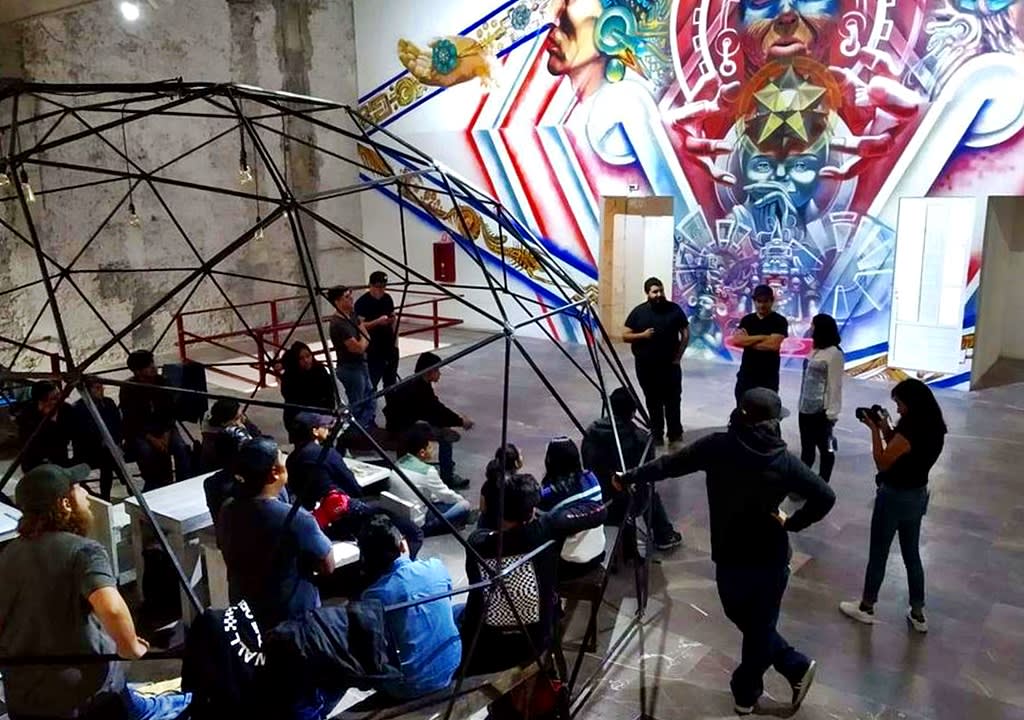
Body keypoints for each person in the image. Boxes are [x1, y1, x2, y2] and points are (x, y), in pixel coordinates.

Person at [617, 388, 835, 715]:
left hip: (730, 554)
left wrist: (629, 476)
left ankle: (746, 693)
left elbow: (668, 465)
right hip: (771, 557)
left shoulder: (718, 446)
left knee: (749, 621)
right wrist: (792, 523)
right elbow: (825, 496)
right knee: (758, 626)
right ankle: (791, 665)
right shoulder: (784, 461)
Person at [0, 463, 191, 720]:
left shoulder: (8, 553)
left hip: (23, 696)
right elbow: (111, 608)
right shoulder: (84, 552)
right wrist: (131, 647)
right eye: (78, 488)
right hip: (85, 697)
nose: (87, 495)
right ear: (65, 504)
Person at [462, 472, 606, 674]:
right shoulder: (545, 530)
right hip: (537, 639)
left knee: (457, 612)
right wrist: (552, 504)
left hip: (488, 646)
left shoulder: (476, 542)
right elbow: (599, 511)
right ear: (531, 512)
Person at [839, 379, 947, 634]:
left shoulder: (911, 429)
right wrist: (886, 428)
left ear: (911, 402)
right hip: (917, 495)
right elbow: (904, 451)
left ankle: (866, 607)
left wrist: (873, 430)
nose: (897, 409)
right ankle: (918, 612)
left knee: (879, 553)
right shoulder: (934, 426)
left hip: (894, 497)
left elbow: (883, 461)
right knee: (912, 555)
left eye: (899, 403)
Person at [216, 436, 335, 630]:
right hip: (292, 622)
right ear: (274, 473)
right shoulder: (297, 519)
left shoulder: (227, 509)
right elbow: (328, 565)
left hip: (247, 615)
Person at [359, 515, 461, 700]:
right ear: (401, 545)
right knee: (454, 610)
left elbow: (376, 646)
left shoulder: (373, 596)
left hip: (409, 686)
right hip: (453, 663)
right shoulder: (436, 567)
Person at [581, 387, 682, 551]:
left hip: (596, 498)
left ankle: (661, 533)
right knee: (647, 489)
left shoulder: (591, 431)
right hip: (626, 502)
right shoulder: (640, 438)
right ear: (634, 412)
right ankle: (664, 534)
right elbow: (648, 474)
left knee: (638, 485)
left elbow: (587, 464)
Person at [384, 352, 473, 490]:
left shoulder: (417, 383)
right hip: (403, 428)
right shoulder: (418, 389)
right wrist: (461, 422)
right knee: (447, 435)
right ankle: (448, 476)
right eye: (437, 370)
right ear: (429, 371)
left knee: (439, 426)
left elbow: (434, 408)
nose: (439, 374)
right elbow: (436, 412)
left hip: (400, 424)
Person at [622, 277, 690, 446]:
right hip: (646, 367)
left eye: (661, 290)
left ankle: (675, 433)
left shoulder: (674, 309)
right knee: (653, 401)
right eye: (655, 292)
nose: (659, 294)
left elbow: (685, 332)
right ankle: (657, 434)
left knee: (673, 400)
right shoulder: (639, 312)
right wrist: (642, 335)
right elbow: (625, 335)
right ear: (647, 293)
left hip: (670, 366)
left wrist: (678, 356)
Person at [118, 349, 193, 490]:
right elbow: (131, 420)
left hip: (164, 426)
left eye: (152, 363)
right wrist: (152, 438)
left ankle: (184, 484)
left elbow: (170, 411)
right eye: (147, 366)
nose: (153, 367)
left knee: (181, 448)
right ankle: (156, 484)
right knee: (146, 451)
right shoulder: (129, 388)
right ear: (137, 371)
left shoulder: (163, 382)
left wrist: (166, 434)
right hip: (142, 431)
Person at [538, 436, 605, 579]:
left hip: (568, 564)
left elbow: (542, 529)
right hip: (598, 551)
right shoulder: (591, 478)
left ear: (550, 461)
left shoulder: (549, 493)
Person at [388, 423, 471, 536]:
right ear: (422, 452)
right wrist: (460, 499)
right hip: (419, 524)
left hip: (400, 520)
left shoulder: (398, 464)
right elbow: (446, 495)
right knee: (464, 505)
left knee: (437, 500)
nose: (433, 450)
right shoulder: (427, 471)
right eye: (431, 447)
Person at [798, 314, 844, 483]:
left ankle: (823, 482)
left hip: (821, 411)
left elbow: (835, 385)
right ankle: (802, 483)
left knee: (826, 449)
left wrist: (832, 413)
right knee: (807, 450)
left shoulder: (834, 354)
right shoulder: (814, 349)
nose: (810, 328)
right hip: (805, 408)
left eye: (813, 325)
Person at [327, 285, 376, 430]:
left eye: (350, 296)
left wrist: (363, 339)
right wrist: (363, 339)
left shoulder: (352, 315)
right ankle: (353, 432)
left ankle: (364, 428)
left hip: (361, 365)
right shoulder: (338, 324)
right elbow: (357, 348)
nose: (351, 299)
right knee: (357, 404)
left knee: (370, 399)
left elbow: (366, 335)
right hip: (350, 368)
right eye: (346, 297)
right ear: (337, 301)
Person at [731, 285, 789, 405]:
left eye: (765, 301)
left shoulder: (779, 321)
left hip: (768, 377)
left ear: (772, 301)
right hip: (746, 375)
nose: (762, 305)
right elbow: (737, 341)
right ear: (754, 301)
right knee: (742, 410)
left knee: (766, 411)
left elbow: (773, 345)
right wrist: (763, 337)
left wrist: (748, 341)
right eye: (759, 301)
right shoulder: (747, 320)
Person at [72, 376, 124, 501]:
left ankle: (120, 486)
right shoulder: (78, 409)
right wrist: (103, 442)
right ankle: (121, 485)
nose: (101, 390)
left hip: (111, 446)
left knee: (110, 457)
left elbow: (117, 425)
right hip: (90, 450)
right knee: (109, 459)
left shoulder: (108, 403)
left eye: (101, 387)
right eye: (97, 388)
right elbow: (82, 435)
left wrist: (116, 442)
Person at [279, 341, 336, 440]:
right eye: (301, 358)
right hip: (300, 413)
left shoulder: (319, 370)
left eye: (308, 356)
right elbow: (293, 400)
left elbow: (330, 393)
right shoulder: (290, 377)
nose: (306, 360)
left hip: (323, 411)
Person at [355, 271, 400, 391]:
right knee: (371, 383)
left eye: (384, 286)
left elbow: (393, 319)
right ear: (371, 285)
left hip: (389, 347)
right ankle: (371, 402)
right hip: (373, 350)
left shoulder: (387, 298)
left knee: (391, 383)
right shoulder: (363, 303)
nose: (381, 290)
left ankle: (391, 402)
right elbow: (359, 326)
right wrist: (377, 322)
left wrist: (396, 343)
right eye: (378, 287)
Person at [16, 380, 75, 471]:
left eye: (59, 395)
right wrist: (49, 420)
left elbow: (72, 433)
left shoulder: (65, 409)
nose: (59, 399)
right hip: (36, 463)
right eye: (54, 398)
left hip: (60, 458)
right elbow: (31, 445)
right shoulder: (28, 415)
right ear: (41, 401)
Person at [198, 398, 261, 473]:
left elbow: (258, 435)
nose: (243, 418)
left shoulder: (241, 420)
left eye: (242, 414)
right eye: (237, 418)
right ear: (224, 423)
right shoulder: (213, 441)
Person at [479, 443, 525, 530]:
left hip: (490, 526)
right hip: (509, 529)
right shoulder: (519, 486)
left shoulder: (488, 483)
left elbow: (483, 508)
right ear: (515, 463)